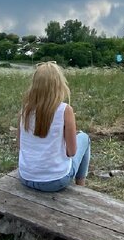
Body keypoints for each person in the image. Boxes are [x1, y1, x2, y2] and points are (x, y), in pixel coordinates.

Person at [17, 61, 90, 191]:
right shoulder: (65, 110)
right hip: (55, 181)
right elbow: (71, 152)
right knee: (84, 137)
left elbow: (20, 145)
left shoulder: (25, 109)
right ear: (59, 85)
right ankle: (81, 186)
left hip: (26, 177)